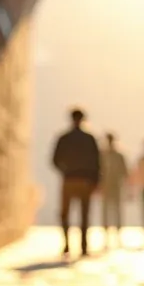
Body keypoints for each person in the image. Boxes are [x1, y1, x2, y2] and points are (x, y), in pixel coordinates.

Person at [51, 108, 101, 257]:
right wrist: (95, 181)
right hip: (84, 181)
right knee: (84, 214)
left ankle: (67, 244)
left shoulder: (64, 138)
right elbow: (97, 163)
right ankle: (83, 247)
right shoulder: (89, 139)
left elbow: (55, 160)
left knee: (65, 213)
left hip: (69, 179)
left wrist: (65, 170)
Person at [99, 133, 129, 250]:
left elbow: (124, 172)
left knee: (117, 212)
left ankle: (118, 237)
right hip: (105, 187)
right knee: (106, 213)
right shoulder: (102, 155)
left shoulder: (118, 156)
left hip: (116, 187)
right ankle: (106, 238)